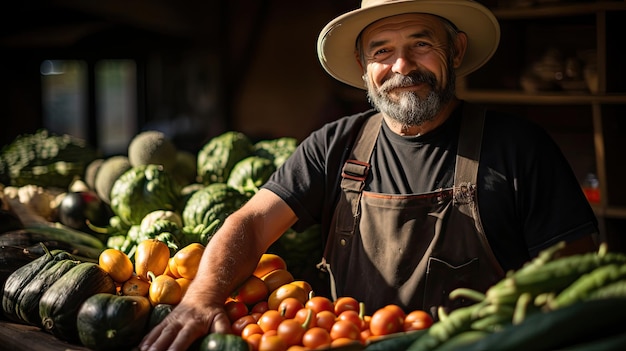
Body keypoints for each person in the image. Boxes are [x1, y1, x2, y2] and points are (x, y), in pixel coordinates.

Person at [140, 0, 599, 350]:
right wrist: (200, 298)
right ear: (364, 68)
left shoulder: (520, 148)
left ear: (455, 51)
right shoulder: (333, 145)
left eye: (421, 44)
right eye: (383, 51)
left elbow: (573, 283)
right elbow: (252, 221)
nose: (401, 67)